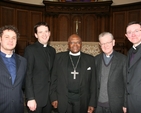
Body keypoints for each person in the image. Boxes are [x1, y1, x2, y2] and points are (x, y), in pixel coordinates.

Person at [50, 34, 96, 113]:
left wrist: (92, 103)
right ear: (68, 44)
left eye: (78, 42)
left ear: (81, 44)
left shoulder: (90, 59)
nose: (75, 45)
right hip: (63, 98)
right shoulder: (59, 58)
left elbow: (93, 83)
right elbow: (53, 78)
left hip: (82, 99)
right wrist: (53, 97)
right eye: (72, 42)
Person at [24, 22, 56, 113]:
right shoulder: (30, 50)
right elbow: (28, 75)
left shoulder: (52, 50)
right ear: (36, 35)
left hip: (49, 98)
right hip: (35, 97)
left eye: (46, 31)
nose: (44, 34)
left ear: (49, 33)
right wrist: (30, 98)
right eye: (40, 32)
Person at [94, 32, 126, 113]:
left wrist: (125, 104)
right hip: (98, 105)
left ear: (113, 42)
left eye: (108, 42)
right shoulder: (95, 60)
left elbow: (127, 84)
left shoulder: (123, 60)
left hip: (116, 105)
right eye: (103, 43)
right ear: (99, 45)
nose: (105, 46)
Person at [0, 25, 27, 113]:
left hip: (17, 107)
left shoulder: (23, 61)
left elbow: (24, 84)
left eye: (13, 38)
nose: (10, 40)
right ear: (0, 39)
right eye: (7, 37)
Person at [125, 21, 141, 113]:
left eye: (136, 31)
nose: (133, 34)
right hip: (131, 101)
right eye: (129, 32)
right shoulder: (130, 52)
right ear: (126, 36)